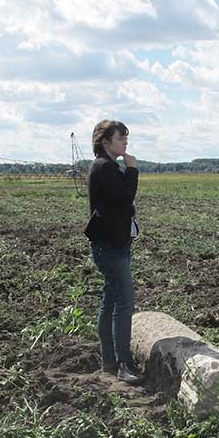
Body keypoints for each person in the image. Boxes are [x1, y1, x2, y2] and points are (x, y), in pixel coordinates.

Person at [84, 119, 143, 385]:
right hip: (110, 247)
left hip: (113, 244)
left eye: (125, 139)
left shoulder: (106, 167)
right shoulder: (105, 167)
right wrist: (132, 170)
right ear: (105, 141)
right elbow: (124, 197)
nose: (125, 143)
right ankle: (124, 365)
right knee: (124, 303)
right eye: (120, 138)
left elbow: (121, 202)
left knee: (111, 302)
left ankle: (109, 361)